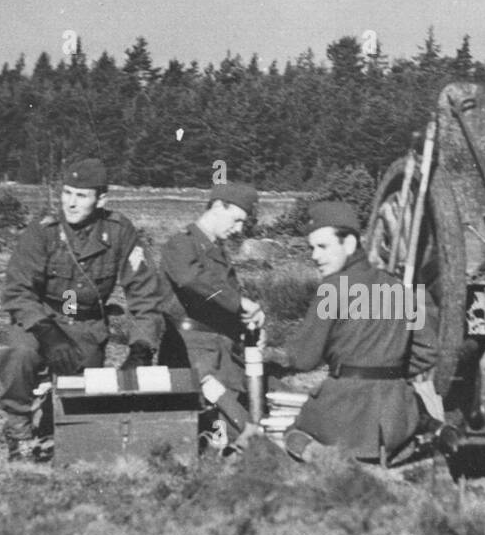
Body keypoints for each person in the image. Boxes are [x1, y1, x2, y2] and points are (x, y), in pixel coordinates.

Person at [0, 158, 169, 460]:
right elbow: (17, 289)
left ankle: (56, 424)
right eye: (67, 193)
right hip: (41, 318)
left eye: (81, 196)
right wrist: (48, 333)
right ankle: (18, 431)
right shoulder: (43, 231)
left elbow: (144, 294)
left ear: (101, 199)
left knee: (80, 406)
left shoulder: (118, 231)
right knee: (20, 354)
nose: (71, 204)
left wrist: (141, 347)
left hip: (85, 325)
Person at [263, 200, 421, 464]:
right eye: (312, 248)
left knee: (293, 436)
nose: (314, 256)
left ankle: (328, 464)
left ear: (349, 244)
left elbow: (304, 358)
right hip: (396, 418)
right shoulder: (401, 289)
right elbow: (426, 352)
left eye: (323, 247)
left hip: (345, 414)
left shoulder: (332, 289)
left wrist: (269, 354)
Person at [159, 182, 264, 445]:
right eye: (237, 220)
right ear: (218, 206)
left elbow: (222, 303)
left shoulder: (216, 251)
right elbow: (190, 279)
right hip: (191, 352)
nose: (239, 229)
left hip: (222, 353)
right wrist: (240, 303)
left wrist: (250, 325)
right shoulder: (181, 243)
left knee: (246, 421)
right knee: (228, 429)